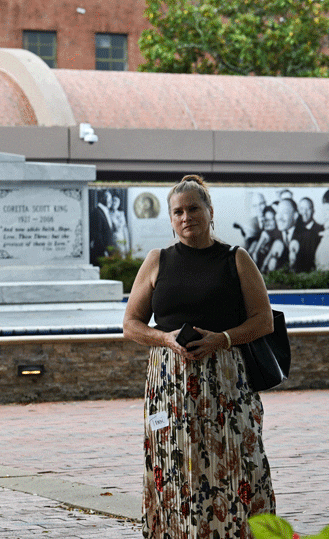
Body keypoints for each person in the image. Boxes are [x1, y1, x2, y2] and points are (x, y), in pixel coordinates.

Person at [123, 174, 276, 538]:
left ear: (209, 212)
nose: (185, 217)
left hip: (225, 380)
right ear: (171, 218)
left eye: (193, 208)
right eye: (178, 212)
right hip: (169, 383)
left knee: (238, 462)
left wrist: (222, 339)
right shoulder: (157, 260)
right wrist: (164, 337)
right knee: (175, 464)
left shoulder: (235, 258)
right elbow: (130, 324)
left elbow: (264, 320)